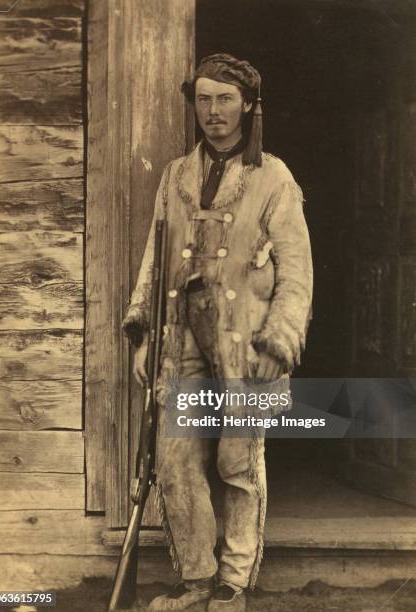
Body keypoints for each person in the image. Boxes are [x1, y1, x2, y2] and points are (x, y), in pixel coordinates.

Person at [122, 53, 313, 611]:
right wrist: (144, 332)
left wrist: (281, 340)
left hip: (246, 342)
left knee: (236, 461)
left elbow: (297, 271)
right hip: (182, 340)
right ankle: (197, 579)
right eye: (203, 100)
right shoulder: (175, 176)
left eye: (225, 99)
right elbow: (154, 263)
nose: (213, 112)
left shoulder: (273, 177)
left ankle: (233, 582)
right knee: (177, 459)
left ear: (249, 106)